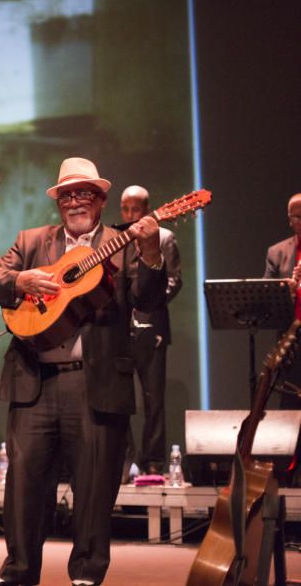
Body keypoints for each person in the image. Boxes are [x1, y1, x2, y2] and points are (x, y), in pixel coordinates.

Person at [0, 158, 167, 586]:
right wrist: (19, 282)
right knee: (24, 487)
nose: (75, 202)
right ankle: (18, 573)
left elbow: (148, 299)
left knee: (95, 488)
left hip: (95, 382)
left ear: (101, 200)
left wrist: (151, 251)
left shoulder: (122, 243)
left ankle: (85, 575)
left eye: (84, 193)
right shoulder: (31, 241)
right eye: (67, 195)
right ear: (59, 202)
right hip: (34, 382)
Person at [119, 185, 182, 477]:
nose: (131, 215)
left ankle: (154, 461)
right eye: (126, 209)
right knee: (121, 397)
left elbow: (173, 281)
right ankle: (125, 460)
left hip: (152, 325)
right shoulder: (117, 239)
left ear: (147, 209)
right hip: (122, 328)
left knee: (153, 398)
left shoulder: (165, 237)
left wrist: (147, 302)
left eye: (136, 209)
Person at [263, 192, 301, 411]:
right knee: (290, 404)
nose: (297, 222)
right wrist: (285, 290)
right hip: (291, 339)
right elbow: (264, 297)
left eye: (300, 216)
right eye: (294, 217)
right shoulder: (277, 252)